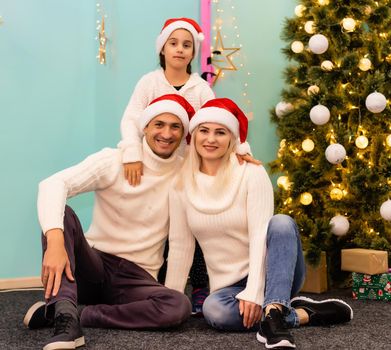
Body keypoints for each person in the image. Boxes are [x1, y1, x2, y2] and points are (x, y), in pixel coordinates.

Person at [165, 98, 353, 349]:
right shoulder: (181, 184)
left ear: (232, 138)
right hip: (228, 287)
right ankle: (300, 314)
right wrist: (171, 302)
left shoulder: (251, 173)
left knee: (282, 223)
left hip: (274, 271)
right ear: (194, 135)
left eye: (220, 132)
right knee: (214, 312)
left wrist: (254, 293)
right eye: (204, 131)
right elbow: (180, 246)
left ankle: (274, 312)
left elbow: (259, 235)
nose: (211, 139)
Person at [23, 94, 196, 350]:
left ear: (183, 133)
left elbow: (183, 240)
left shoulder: (186, 170)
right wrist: (55, 241)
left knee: (178, 305)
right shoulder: (113, 160)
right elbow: (52, 184)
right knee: (64, 215)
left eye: (175, 126)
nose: (167, 133)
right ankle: (67, 320)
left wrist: (241, 154)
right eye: (159, 124)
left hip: (136, 278)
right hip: (92, 266)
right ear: (145, 127)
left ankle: (79, 314)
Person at [119, 17, 215, 314]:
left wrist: (241, 150)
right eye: (173, 43)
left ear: (193, 52)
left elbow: (216, 121)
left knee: (195, 226)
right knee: (161, 224)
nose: (180, 50)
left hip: (189, 170)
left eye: (187, 45)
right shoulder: (150, 83)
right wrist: (132, 152)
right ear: (163, 48)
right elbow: (131, 119)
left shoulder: (200, 88)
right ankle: (158, 285)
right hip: (156, 167)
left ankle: (200, 285)